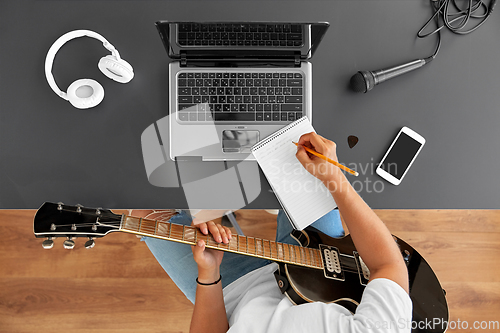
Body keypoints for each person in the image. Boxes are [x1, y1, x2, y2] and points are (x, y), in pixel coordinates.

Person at [142, 132, 412, 333]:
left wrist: (209, 274)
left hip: (232, 290)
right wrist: (334, 178)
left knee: (140, 211)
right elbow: (388, 265)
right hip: (323, 260)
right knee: (295, 142)